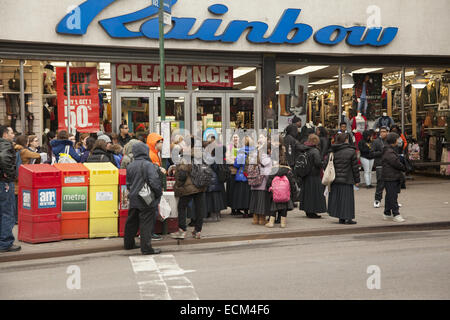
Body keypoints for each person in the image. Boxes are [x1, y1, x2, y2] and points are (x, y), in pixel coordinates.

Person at [124, 142, 163, 255]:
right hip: (146, 198)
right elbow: (154, 181)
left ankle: (128, 243)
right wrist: (158, 193)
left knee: (132, 221)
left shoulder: (130, 165)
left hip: (134, 197)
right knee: (146, 223)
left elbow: (128, 183)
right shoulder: (148, 165)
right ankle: (146, 248)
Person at [171, 155, 207, 240]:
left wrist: (178, 185)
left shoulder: (185, 159)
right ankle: (198, 231)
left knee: (182, 207)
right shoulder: (201, 157)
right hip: (200, 187)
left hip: (188, 188)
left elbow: (182, 175)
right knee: (199, 209)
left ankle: (182, 231)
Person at [327, 133, 360, 225]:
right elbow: (355, 168)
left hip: (335, 179)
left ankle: (341, 218)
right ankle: (348, 218)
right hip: (347, 178)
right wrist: (357, 180)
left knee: (338, 198)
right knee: (347, 199)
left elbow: (326, 163)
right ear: (346, 140)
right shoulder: (351, 151)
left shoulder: (333, 150)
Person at [265, 143, 296, 228]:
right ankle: (283, 223)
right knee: (284, 208)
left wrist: (268, 187)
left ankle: (271, 222)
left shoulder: (274, 169)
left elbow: (269, 181)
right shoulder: (287, 170)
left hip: (275, 193)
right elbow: (292, 182)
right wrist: (293, 193)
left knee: (273, 206)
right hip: (285, 193)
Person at [0, 126, 21, 252]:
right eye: (12, 133)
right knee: (7, 212)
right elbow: (3, 158)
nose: (13, 136)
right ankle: (5, 242)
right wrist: (8, 174)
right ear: (5, 134)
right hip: (4, 182)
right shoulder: (5, 145)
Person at [298, 134, 327, 219]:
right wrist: (324, 163)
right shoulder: (315, 151)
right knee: (314, 194)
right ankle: (312, 211)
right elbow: (318, 163)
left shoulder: (305, 149)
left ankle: (308, 210)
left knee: (307, 194)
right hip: (314, 175)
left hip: (305, 175)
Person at [382, 133, 406, 222]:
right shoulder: (389, 151)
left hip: (390, 176)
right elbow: (396, 163)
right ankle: (396, 214)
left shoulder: (389, 149)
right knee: (392, 196)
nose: (398, 140)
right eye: (397, 139)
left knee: (390, 195)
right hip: (390, 176)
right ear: (393, 140)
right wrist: (404, 167)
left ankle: (387, 212)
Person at [249, 142, 272, 226]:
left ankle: (255, 219)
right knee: (262, 202)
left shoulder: (254, 156)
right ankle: (262, 219)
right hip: (262, 184)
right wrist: (269, 182)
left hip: (254, 183)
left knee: (255, 201)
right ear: (268, 150)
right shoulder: (267, 159)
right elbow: (267, 173)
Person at [232, 136, 254, 218]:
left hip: (242, 176)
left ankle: (245, 212)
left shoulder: (241, 151)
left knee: (243, 195)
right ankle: (251, 211)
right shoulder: (254, 151)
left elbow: (236, 164)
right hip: (251, 175)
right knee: (250, 194)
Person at [205, 145, 227, 222]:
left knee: (212, 199)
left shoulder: (212, 159)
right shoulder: (220, 158)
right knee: (217, 198)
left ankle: (213, 217)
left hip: (212, 181)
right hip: (217, 181)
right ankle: (217, 215)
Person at [372, 126, 389, 208]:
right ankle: (377, 200)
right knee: (380, 183)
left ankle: (392, 201)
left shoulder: (390, 141)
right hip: (380, 164)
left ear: (387, 132)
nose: (383, 133)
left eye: (384, 131)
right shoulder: (376, 141)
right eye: (381, 131)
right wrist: (381, 152)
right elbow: (372, 153)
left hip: (389, 165)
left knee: (391, 184)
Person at [227, 133, 240, 215]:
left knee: (237, 191)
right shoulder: (229, 147)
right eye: (234, 137)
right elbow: (227, 159)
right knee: (232, 190)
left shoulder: (240, 147)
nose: (235, 138)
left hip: (239, 173)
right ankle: (233, 209)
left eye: (237, 137)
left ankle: (238, 208)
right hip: (232, 172)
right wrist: (235, 159)